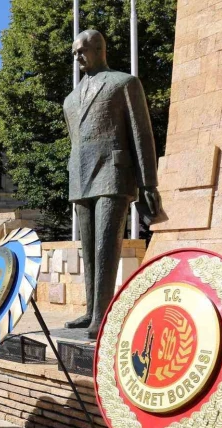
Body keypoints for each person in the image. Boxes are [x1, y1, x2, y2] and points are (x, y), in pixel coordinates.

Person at [63, 30, 160, 337]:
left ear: (100, 49)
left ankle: (102, 314)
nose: (78, 57)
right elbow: (75, 142)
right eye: (75, 52)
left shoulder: (123, 83)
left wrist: (148, 183)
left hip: (113, 174)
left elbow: (141, 134)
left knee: (106, 245)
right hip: (80, 178)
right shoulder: (70, 100)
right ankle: (91, 309)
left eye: (83, 50)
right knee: (89, 248)